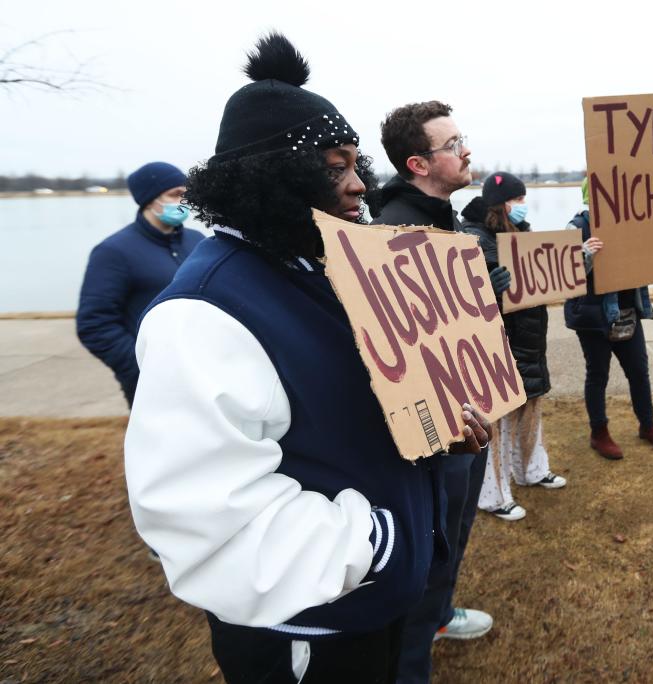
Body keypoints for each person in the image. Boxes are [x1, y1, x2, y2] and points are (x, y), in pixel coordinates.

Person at [124, 34, 490, 683]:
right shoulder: (205, 313)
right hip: (310, 634)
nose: (357, 184)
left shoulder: (319, 266)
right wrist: (377, 542)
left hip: (372, 607)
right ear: (267, 176)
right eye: (333, 166)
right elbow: (202, 522)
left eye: (356, 163)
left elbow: (341, 413)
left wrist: (436, 433)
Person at [373, 101, 493, 683]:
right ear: (418, 162)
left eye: (461, 138)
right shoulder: (389, 231)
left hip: (471, 412)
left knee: (457, 534)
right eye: (452, 144)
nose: (465, 150)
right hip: (430, 434)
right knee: (429, 547)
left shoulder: (452, 221)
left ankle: (441, 616)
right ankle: (411, 661)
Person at [461, 172, 567, 522]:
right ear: (501, 203)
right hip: (500, 342)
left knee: (530, 407)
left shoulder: (522, 235)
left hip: (530, 338)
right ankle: (492, 495)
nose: (523, 206)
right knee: (497, 415)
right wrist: (486, 288)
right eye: (517, 200)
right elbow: (463, 300)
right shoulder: (474, 239)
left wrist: (575, 263)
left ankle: (532, 470)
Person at [76, 162, 203, 406]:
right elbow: (94, 324)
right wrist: (142, 368)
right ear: (150, 199)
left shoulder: (197, 241)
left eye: (187, 195)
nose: (184, 202)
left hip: (201, 374)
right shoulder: (113, 252)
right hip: (152, 386)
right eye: (176, 194)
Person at [565, 179, 653, 460]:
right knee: (598, 374)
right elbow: (565, 276)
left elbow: (635, 261)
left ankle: (647, 425)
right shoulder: (577, 227)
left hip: (628, 312)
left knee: (639, 371)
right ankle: (598, 433)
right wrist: (585, 254)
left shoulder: (629, 224)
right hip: (592, 316)